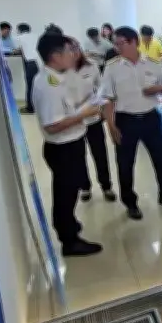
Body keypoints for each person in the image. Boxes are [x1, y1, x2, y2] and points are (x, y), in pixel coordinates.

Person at [31, 33, 103, 256]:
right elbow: (52, 125)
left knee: (70, 192)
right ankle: (69, 241)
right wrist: (84, 114)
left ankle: (70, 225)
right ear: (55, 56)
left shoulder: (59, 76)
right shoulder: (48, 85)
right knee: (65, 195)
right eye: (69, 51)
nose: (74, 54)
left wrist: (84, 107)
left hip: (72, 143)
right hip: (63, 149)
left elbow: (68, 108)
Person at [101, 27, 162, 220]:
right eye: (115, 44)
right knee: (125, 164)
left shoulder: (153, 64)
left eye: (120, 43)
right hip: (125, 121)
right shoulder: (112, 68)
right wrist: (111, 126)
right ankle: (130, 202)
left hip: (151, 118)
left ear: (134, 42)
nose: (117, 48)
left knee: (161, 159)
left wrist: (158, 88)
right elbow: (107, 99)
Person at [65, 38, 115, 203]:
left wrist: (102, 111)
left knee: (100, 154)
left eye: (75, 48)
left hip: (93, 119)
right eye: (68, 50)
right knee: (78, 157)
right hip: (74, 121)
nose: (73, 52)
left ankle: (106, 186)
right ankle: (85, 187)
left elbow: (101, 90)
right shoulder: (61, 70)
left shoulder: (91, 66)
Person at [17, 23, 40, 115]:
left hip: (30, 63)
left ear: (20, 30)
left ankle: (30, 108)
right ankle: (36, 106)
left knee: (30, 86)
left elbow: (17, 49)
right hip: (37, 63)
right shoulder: (36, 36)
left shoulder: (20, 37)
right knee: (35, 86)